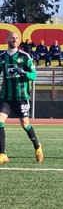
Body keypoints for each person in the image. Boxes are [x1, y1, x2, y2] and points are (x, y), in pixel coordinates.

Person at [0, 32, 44, 165]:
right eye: (12, 37)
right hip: (6, 97)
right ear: (7, 39)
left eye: (17, 38)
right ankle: (3, 154)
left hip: (21, 96)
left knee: (25, 124)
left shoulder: (25, 56)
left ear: (19, 41)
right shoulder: (1, 57)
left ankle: (37, 146)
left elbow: (34, 76)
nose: (14, 39)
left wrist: (23, 72)